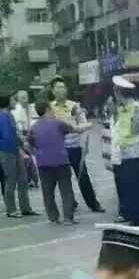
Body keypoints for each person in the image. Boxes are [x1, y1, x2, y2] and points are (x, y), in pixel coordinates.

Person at [29, 100, 90, 225]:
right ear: (47, 110)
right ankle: (68, 218)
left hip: (43, 164)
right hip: (61, 162)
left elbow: (30, 143)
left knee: (47, 192)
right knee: (66, 191)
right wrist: (88, 126)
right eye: (51, 109)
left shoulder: (34, 127)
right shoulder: (58, 123)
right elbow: (76, 130)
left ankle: (53, 218)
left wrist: (37, 153)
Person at [50, 77, 105, 213]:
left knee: (83, 176)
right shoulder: (50, 108)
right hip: (59, 149)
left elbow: (84, 124)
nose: (62, 90)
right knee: (63, 178)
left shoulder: (74, 106)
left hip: (74, 147)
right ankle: (71, 202)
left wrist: (85, 143)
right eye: (58, 87)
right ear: (53, 90)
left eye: (63, 87)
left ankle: (93, 204)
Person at [110, 75, 139, 226]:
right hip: (124, 157)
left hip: (137, 156)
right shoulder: (121, 110)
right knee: (130, 192)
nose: (115, 97)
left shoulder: (137, 109)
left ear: (120, 93)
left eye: (116, 93)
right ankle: (135, 220)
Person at [0, 95, 38, 218]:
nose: (14, 102)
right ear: (6, 102)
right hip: (6, 151)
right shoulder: (2, 116)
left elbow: (14, 134)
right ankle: (11, 209)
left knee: (22, 179)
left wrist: (22, 145)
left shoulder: (9, 115)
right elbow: (7, 136)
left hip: (15, 150)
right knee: (10, 179)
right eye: (12, 100)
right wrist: (19, 149)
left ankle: (25, 208)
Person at [12, 90, 39, 188]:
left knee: (33, 157)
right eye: (22, 98)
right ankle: (29, 179)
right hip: (21, 135)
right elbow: (16, 125)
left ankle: (34, 179)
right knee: (26, 158)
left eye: (26, 97)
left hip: (33, 135)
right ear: (18, 99)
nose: (25, 100)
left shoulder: (32, 108)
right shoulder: (15, 111)